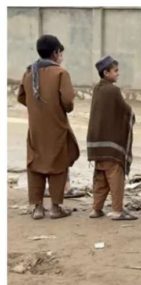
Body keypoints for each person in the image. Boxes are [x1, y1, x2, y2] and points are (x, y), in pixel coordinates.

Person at [18, 34, 80, 220]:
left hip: (36, 127)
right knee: (58, 163)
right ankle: (55, 207)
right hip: (57, 126)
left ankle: (37, 208)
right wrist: (57, 107)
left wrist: (37, 108)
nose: (61, 56)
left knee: (35, 162)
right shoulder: (61, 73)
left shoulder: (29, 72)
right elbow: (68, 102)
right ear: (55, 53)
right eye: (60, 52)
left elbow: (21, 96)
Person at [85, 56, 136, 221]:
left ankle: (96, 208)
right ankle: (117, 210)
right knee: (115, 176)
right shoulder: (113, 90)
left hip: (96, 143)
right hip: (110, 145)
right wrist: (131, 114)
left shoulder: (97, 89)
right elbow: (125, 110)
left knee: (100, 176)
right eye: (115, 71)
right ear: (106, 73)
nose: (118, 74)